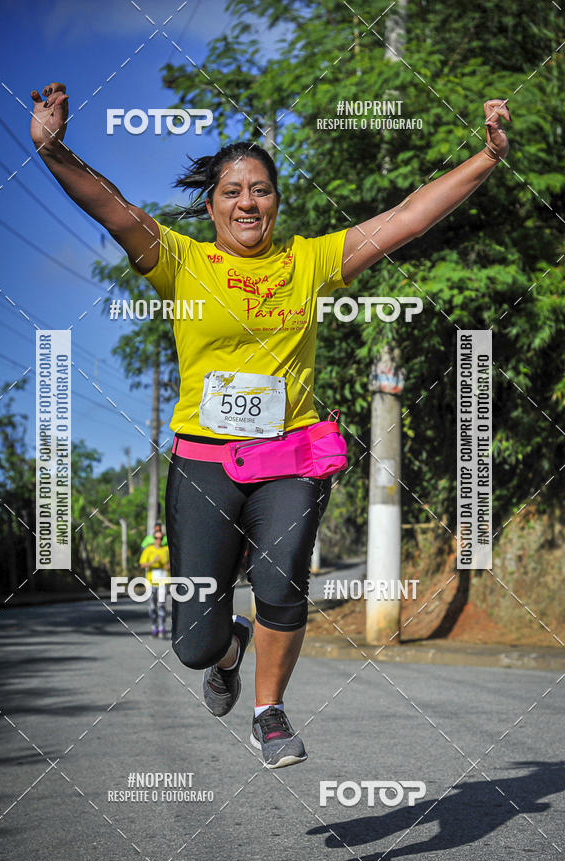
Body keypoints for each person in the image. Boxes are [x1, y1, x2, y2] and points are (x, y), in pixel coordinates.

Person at [30, 83, 509, 768]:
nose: (247, 202)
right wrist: (52, 149)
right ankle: (228, 648)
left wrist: (487, 156)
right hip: (203, 464)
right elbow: (112, 207)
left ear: (276, 202)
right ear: (210, 204)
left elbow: (406, 217)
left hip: (291, 458)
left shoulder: (307, 261)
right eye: (232, 191)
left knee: (282, 580)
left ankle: (269, 711)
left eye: (260, 190)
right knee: (194, 643)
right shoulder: (181, 261)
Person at [139, 527, 171, 638]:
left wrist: (169, 566)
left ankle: (162, 627)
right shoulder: (148, 550)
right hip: (151, 582)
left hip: (163, 581)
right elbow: (142, 564)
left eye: (161, 538)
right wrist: (152, 562)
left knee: (161, 605)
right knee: (152, 607)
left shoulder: (166, 550)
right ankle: (154, 626)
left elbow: (173, 564)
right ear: (153, 538)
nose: (159, 540)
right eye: (157, 538)